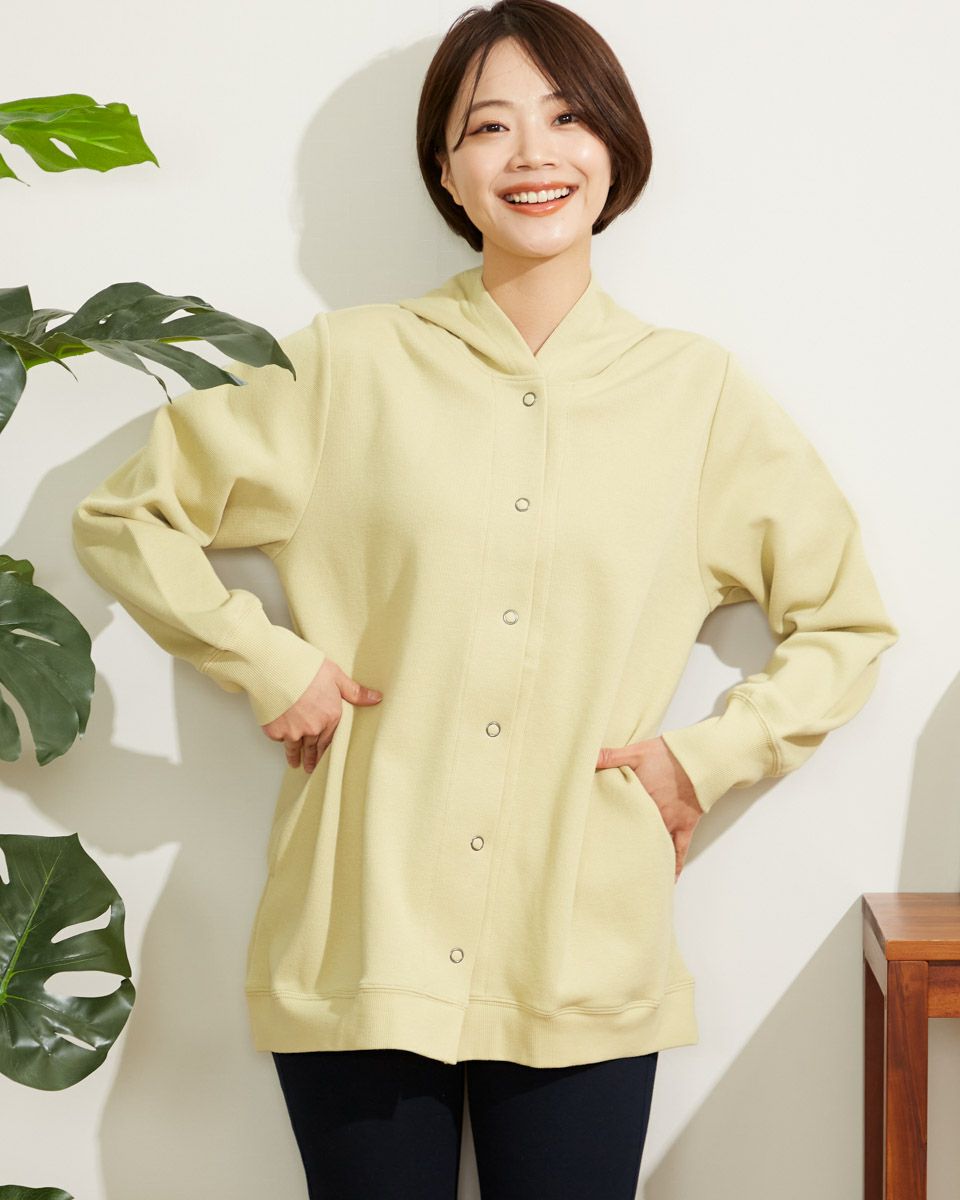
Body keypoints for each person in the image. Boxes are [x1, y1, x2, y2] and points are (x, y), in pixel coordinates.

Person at [71, 1, 900, 1195]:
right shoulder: (342, 366)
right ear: (447, 171)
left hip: (581, 946)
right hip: (363, 934)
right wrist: (268, 661)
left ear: (614, 147)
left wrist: (706, 760)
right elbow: (127, 516)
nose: (532, 155)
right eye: (490, 127)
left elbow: (846, 621)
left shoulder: (700, 399)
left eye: (566, 119)